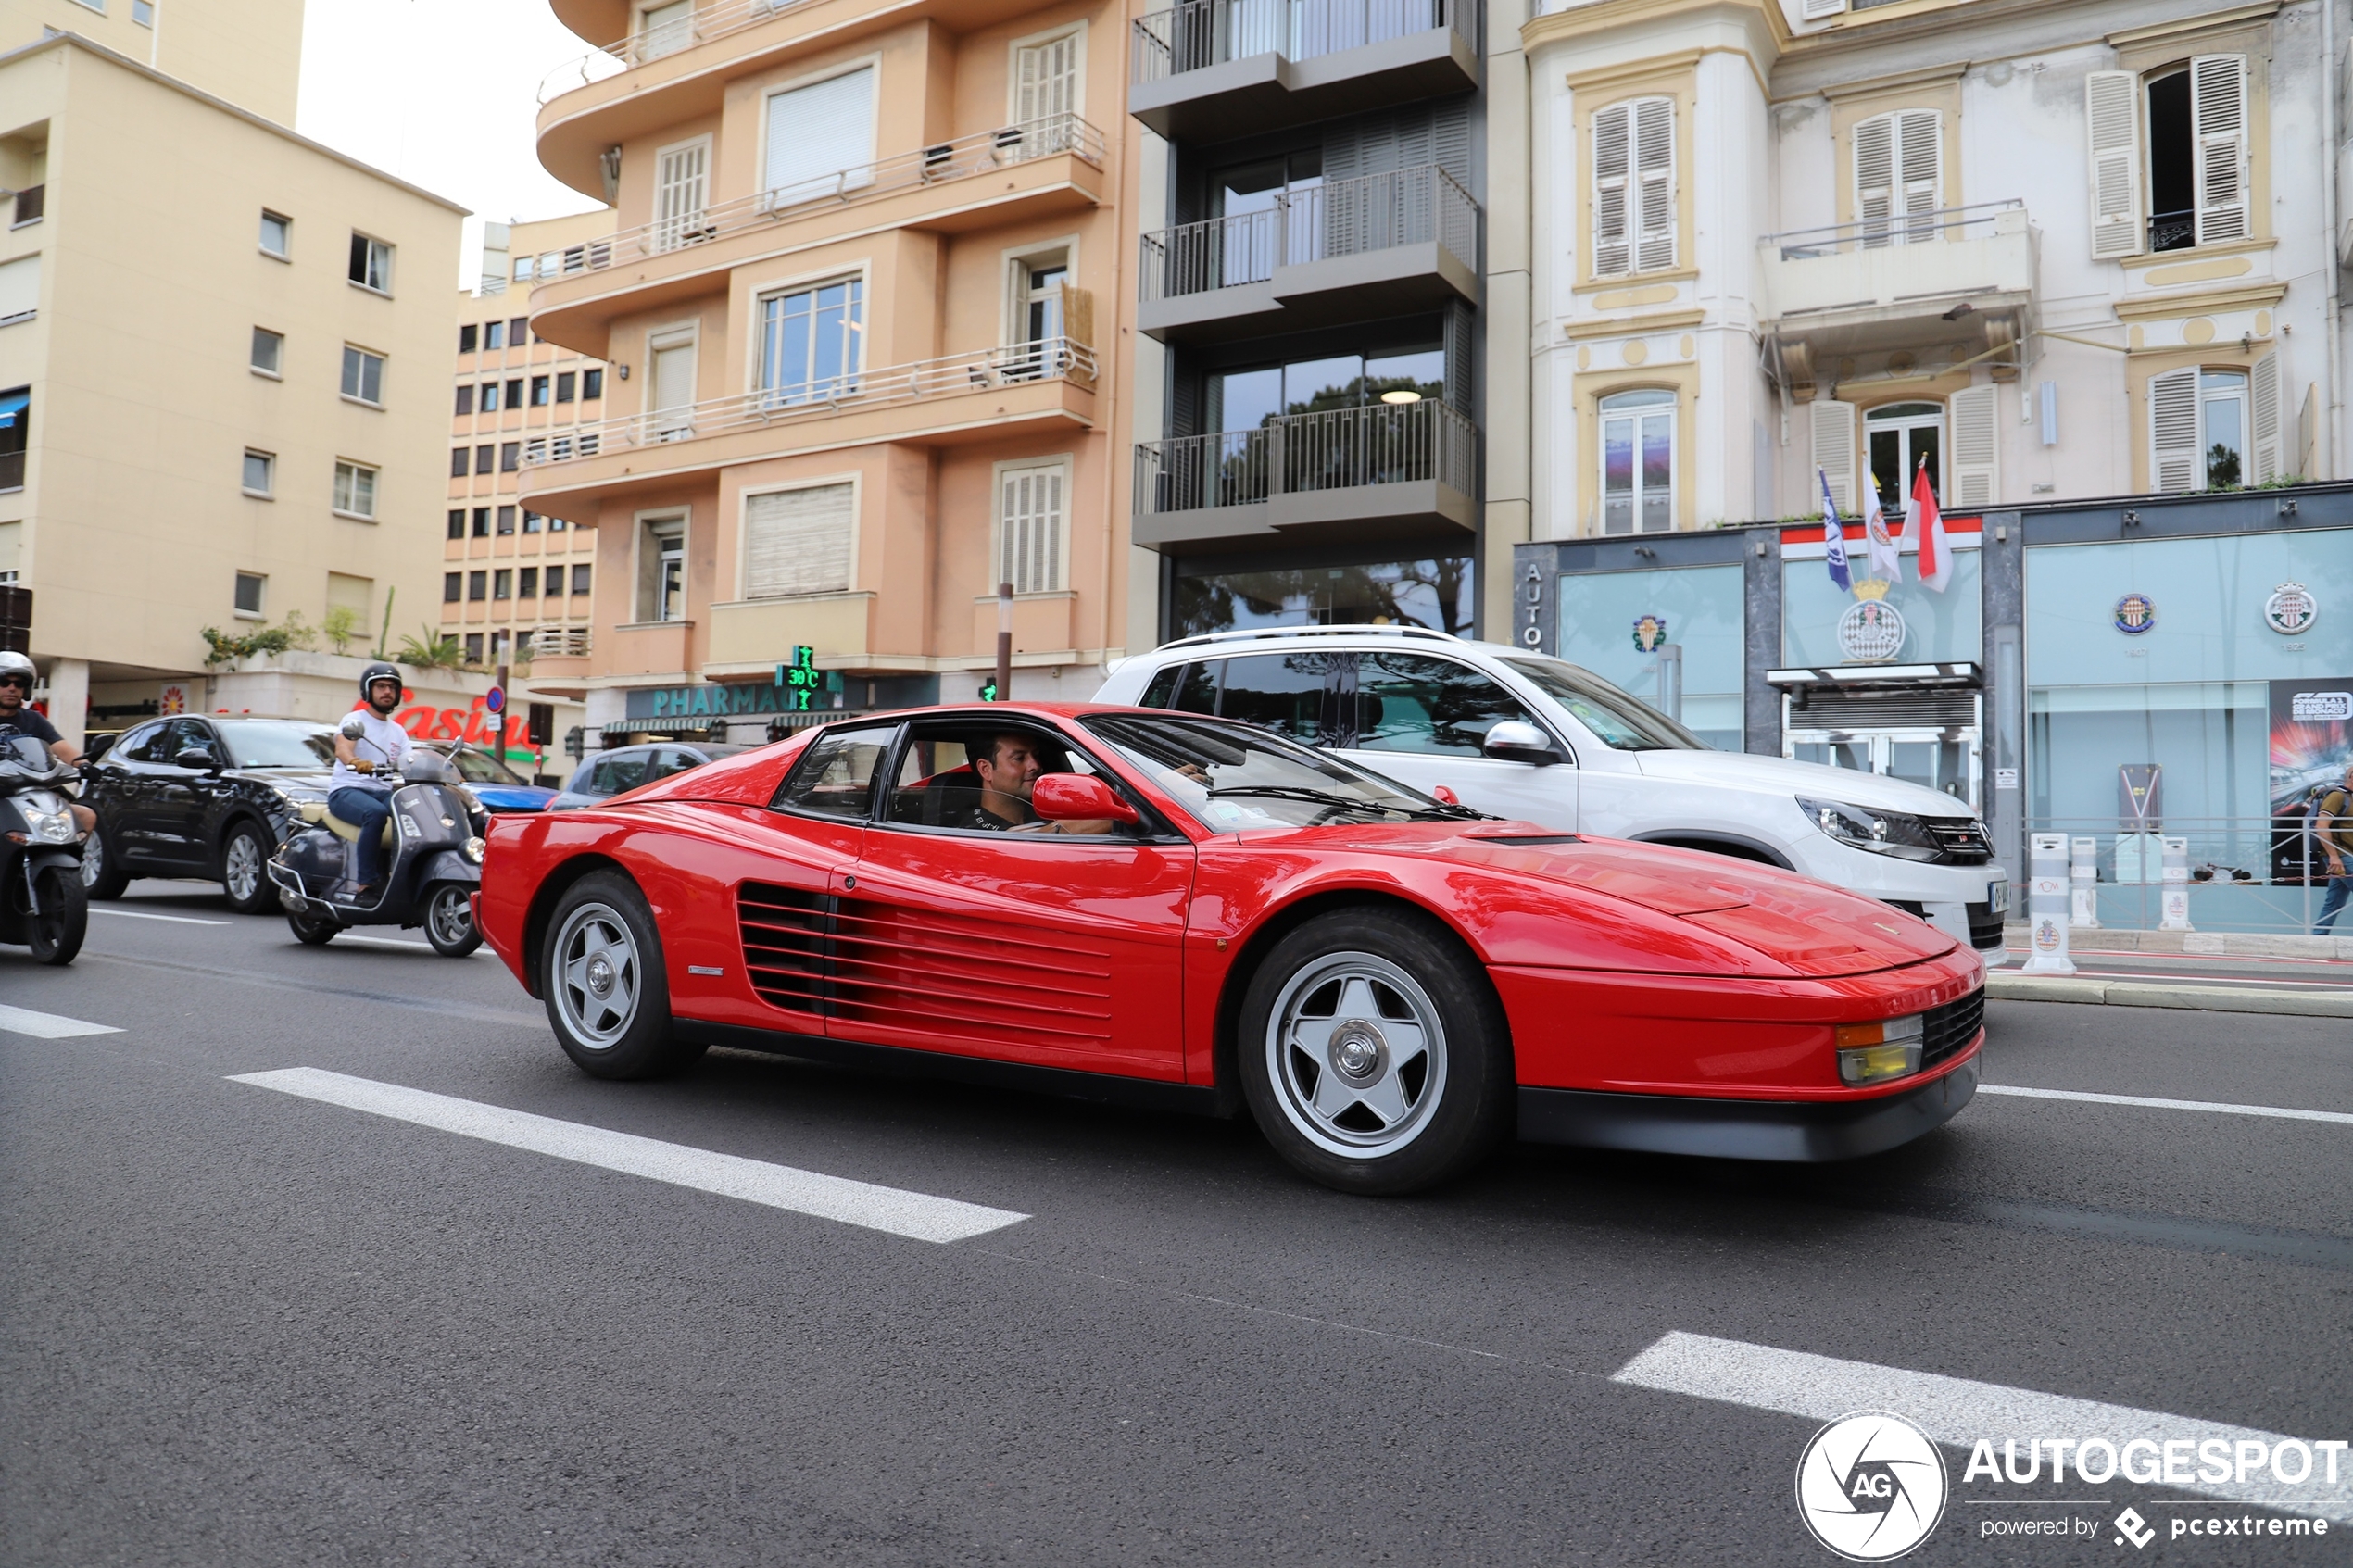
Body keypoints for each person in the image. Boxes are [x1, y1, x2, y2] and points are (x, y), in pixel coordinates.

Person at [328, 662, 412, 903]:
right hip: (347, 790)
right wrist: (354, 760)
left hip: (382, 791)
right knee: (374, 814)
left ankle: (399, 878)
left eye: (392, 687)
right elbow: (342, 747)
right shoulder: (355, 720)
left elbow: (411, 761)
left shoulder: (398, 731)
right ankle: (366, 885)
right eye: (381, 686)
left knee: (413, 812)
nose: (387, 692)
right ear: (368, 691)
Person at [0, 650, 95, 837]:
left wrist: (84, 765)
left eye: (19, 684)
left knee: (86, 816)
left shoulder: (34, 720)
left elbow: (62, 748)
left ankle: (74, 863)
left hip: (30, 791)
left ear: (26, 689)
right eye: (4, 682)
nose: (12, 688)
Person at [954, 731, 1115, 835]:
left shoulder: (1044, 810)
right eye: (1019, 758)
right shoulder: (973, 831)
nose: (1035, 766)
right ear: (986, 769)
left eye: (1036, 756)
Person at [2315, 760, 2353, 935]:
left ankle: (2317, 939)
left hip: (2346, 855)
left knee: (2334, 903)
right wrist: (2334, 856)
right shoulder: (2338, 796)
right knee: (2333, 903)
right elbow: (2321, 825)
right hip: (2341, 856)